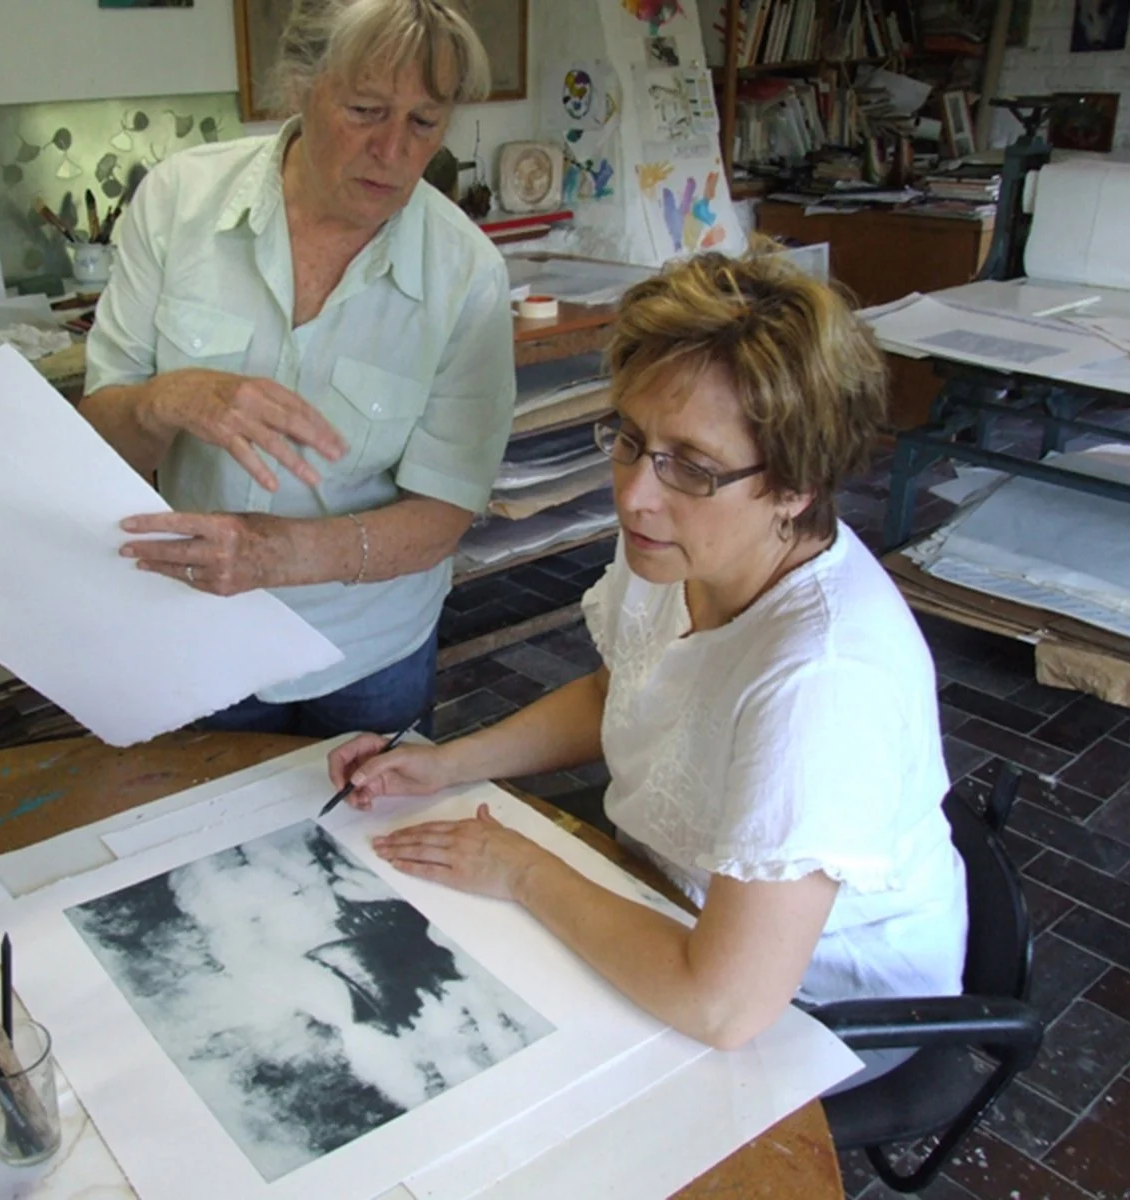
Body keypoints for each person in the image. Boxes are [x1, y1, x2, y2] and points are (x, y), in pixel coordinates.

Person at [328, 247, 968, 1063]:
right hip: (668, 900)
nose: (634, 493)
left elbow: (723, 1006)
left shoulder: (825, 682)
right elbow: (625, 689)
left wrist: (522, 870)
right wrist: (449, 764)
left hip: (815, 1012)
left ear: (799, 482)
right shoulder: (682, 549)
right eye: (630, 440)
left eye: (691, 467)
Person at [78, 0, 516, 739]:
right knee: (208, 836)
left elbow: (441, 515)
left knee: (363, 841)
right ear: (298, 87)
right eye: (365, 109)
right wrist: (163, 401)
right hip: (202, 631)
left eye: (424, 122)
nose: (394, 152)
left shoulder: (466, 274)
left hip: (370, 648)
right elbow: (96, 449)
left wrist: (276, 556)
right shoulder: (179, 203)